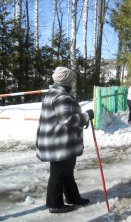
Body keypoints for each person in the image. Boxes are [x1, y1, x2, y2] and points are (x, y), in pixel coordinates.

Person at [36, 66, 94, 214]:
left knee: (67, 172)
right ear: (67, 80)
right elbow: (67, 119)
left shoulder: (53, 93)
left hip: (62, 142)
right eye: (72, 79)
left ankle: (73, 197)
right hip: (58, 144)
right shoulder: (61, 96)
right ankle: (55, 204)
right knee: (58, 174)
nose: (74, 81)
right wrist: (86, 116)